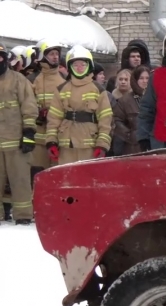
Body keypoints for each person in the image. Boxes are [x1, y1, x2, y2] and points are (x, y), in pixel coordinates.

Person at [45, 46, 113, 165]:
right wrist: (51, 142)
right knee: (67, 181)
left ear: (89, 66)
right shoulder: (61, 89)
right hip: (66, 146)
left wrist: (102, 145)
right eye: (75, 65)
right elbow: (54, 119)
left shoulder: (98, 89)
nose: (79, 68)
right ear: (70, 67)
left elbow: (105, 120)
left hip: (90, 146)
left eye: (83, 64)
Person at [0, 44, 38, 225]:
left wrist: (29, 133)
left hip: (16, 142)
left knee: (21, 181)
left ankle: (23, 216)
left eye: (0, 56)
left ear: (6, 59)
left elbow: (29, 106)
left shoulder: (18, 80)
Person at [31, 40, 66, 178]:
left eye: (57, 54)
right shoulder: (35, 80)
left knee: (57, 174)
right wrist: (39, 111)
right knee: (38, 173)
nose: (55, 57)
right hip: (39, 138)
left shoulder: (63, 79)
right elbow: (28, 105)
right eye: (51, 54)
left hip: (58, 136)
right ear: (41, 56)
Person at [110, 68, 142, 156]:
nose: (123, 82)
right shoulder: (111, 96)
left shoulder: (136, 98)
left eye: (126, 79)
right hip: (116, 133)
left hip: (132, 136)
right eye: (120, 79)